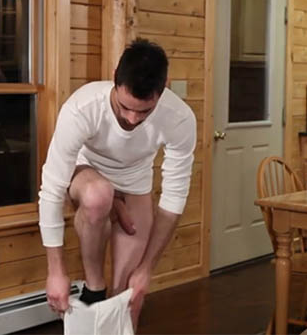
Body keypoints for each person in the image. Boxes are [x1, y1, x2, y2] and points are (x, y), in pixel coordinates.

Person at [38, 38, 197, 328]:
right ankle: (94, 289)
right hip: (87, 173)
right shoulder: (83, 107)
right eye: (125, 107)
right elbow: (51, 188)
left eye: (144, 111)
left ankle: (115, 299)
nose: (132, 119)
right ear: (115, 78)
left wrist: (147, 269)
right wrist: (55, 271)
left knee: (129, 299)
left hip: (135, 182)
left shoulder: (179, 119)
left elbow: (173, 198)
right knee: (99, 195)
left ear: (163, 89)